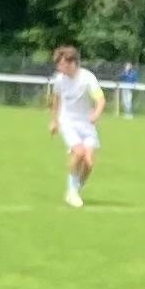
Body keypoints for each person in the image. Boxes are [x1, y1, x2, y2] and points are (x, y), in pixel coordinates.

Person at [49, 45, 106, 209]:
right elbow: (56, 100)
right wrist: (54, 121)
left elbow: (100, 100)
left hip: (86, 124)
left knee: (89, 163)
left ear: (72, 62)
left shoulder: (87, 78)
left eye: (61, 64)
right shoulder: (59, 80)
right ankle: (72, 192)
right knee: (79, 152)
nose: (59, 68)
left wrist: (96, 113)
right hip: (68, 122)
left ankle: (74, 190)